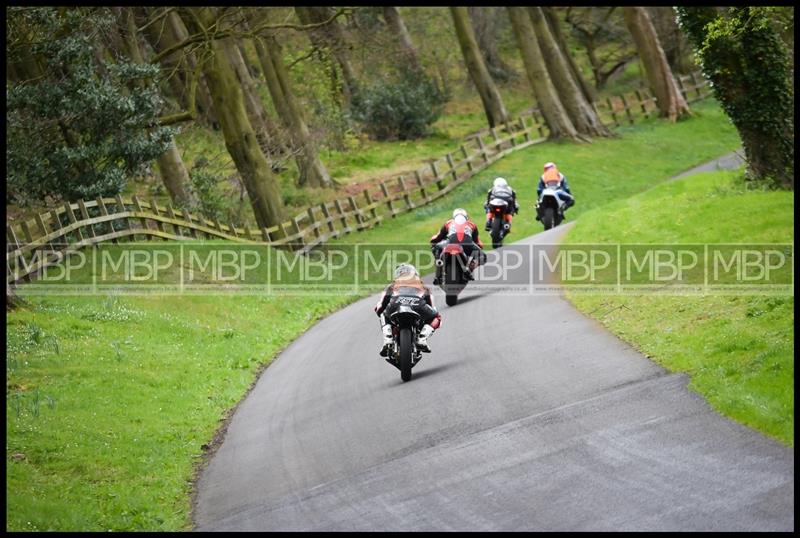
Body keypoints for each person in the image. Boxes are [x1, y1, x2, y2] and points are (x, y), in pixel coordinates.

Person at [374, 263, 441, 356]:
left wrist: (380, 311)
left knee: (383, 314)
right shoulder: (423, 286)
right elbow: (432, 307)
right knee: (437, 317)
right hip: (418, 304)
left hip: (396, 303)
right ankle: (422, 338)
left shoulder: (391, 285)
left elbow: (380, 307)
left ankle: (388, 338)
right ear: (415, 273)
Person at [430, 208, 485, 285]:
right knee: (483, 256)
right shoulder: (472, 225)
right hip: (467, 244)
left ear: (454, 217)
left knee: (436, 248)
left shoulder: (448, 223)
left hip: (450, 242)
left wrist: (433, 240)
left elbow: (439, 236)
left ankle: (439, 265)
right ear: (466, 217)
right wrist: (480, 246)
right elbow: (476, 241)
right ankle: (471, 267)